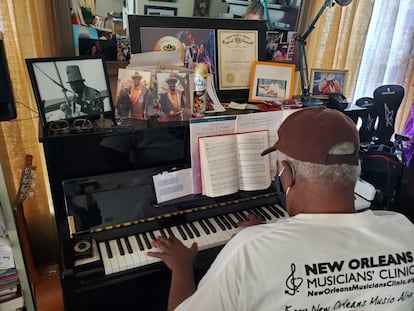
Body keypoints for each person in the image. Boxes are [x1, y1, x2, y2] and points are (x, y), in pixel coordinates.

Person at [148, 106, 414, 311]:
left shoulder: (249, 249)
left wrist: (183, 268)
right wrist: (269, 232)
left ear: (287, 175)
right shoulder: (403, 229)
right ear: (356, 172)